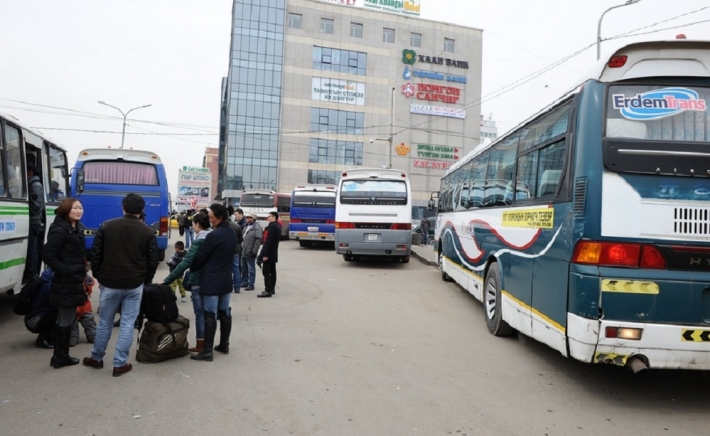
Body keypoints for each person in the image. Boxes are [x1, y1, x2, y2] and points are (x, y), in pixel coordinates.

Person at [83, 193, 159, 377]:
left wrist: (99, 276)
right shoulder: (148, 232)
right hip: (134, 284)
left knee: (105, 323)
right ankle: (119, 364)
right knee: (127, 324)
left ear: (123, 208)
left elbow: (96, 254)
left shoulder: (107, 226)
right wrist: (145, 280)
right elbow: (152, 261)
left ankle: (97, 358)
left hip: (110, 283)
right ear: (142, 211)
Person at [42, 198, 87, 368]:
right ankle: (61, 357)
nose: (79, 211)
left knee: (66, 317)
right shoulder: (60, 230)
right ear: (66, 209)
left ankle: (60, 356)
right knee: (66, 317)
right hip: (65, 281)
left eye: (80, 208)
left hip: (74, 280)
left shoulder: (76, 228)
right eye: (75, 208)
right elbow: (48, 255)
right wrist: (65, 270)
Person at [189, 204, 237, 361]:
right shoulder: (231, 232)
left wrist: (193, 267)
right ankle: (224, 344)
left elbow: (200, 258)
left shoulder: (214, 236)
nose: (209, 219)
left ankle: (207, 351)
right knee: (224, 311)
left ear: (220, 217)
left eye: (211, 217)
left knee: (210, 314)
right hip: (225, 278)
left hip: (211, 279)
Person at [163, 213, 212, 353]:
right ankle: (208, 344)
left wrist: (167, 280)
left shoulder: (199, 241)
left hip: (199, 280)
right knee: (210, 313)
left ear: (197, 224)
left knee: (200, 314)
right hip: (212, 281)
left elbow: (185, 263)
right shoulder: (214, 237)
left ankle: (201, 344)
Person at [24, 268, 58, 349]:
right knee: (63, 314)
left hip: (32, 318)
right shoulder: (50, 287)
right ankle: (42, 339)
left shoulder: (44, 280)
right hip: (35, 320)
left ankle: (49, 337)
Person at [24, 164, 45, 284]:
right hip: (32, 221)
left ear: (30, 172)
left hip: (33, 221)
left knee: (32, 249)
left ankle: (31, 275)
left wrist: (26, 211)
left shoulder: (35, 185)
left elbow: (36, 206)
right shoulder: (32, 184)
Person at [257, 211, 282, 298]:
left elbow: (269, 242)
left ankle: (268, 290)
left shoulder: (273, 227)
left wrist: (265, 255)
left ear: (275, 217)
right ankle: (271, 288)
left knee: (266, 271)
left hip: (269, 253)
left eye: (270, 216)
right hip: (273, 252)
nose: (269, 218)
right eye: (268, 216)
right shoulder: (275, 226)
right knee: (272, 271)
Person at [70, 275, 97, 346]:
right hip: (77, 306)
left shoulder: (85, 279)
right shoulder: (85, 278)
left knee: (88, 323)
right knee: (74, 324)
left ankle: (93, 337)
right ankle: (73, 339)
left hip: (81, 306)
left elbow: (89, 289)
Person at [240, 213, 262, 291]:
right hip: (243, 250)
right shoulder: (246, 226)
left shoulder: (257, 228)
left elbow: (258, 240)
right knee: (244, 268)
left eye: (250, 218)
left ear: (254, 219)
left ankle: (251, 284)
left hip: (250, 250)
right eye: (247, 217)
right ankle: (244, 282)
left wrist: (254, 251)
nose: (248, 219)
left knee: (251, 269)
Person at [228, 215, 244, 294]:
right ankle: (237, 287)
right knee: (236, 268)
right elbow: (241, 238)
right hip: (236, 249)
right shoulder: (237, 226)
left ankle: (228, 286)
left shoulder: (223, 227)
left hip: (226, 250)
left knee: (227, 268)